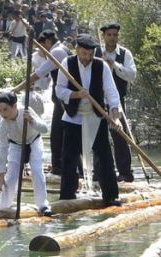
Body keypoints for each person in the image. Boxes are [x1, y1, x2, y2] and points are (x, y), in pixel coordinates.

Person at [56, 33, 121, 206]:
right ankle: (67, 197)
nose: (87, 58)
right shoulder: (67, 63)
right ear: (77, 50)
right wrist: (76, 94)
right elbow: (59, 90)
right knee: (69, 158)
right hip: (73, 117)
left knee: (104, 157)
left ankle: (111, 196)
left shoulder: (101, 66)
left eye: (90, 54)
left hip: (96, 116)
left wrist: (115, 115)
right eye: (84, 54)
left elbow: (111, 92)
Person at [13, 30, 68, 176]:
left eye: (41, 47)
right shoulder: (63, 49)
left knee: (57, 134)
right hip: (62, 98)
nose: (41, 51)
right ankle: (62, 165)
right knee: (62, 134)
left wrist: (19, 87)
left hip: (64, 99)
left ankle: (59, 167)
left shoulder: (57, 52)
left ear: (48, 42)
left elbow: (40, 73)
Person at [0, 92, 52, 216]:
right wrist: (0, 174)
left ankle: (42, 205)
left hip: (34, 141)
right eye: (0, 110)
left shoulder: (26, 111)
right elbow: (2, 147)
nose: (3, 114)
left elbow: (44, 129)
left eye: (6, 109)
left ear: (14, 106)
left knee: (37, 171)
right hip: (16, 145)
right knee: (11, 177)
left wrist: (32, 121)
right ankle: (4, 206)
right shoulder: (4, 124)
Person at [95, 22, 137, 182]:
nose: (112, 38)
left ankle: (125, 173)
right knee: (99, 136)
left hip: (117, 101)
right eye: (109, 35)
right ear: (104, 36)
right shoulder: (96, 52)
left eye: (115, 35)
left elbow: (132, 75)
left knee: (120, 135)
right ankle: (98, 173)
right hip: (98, 100)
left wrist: (115, 65)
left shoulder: (125, 54)